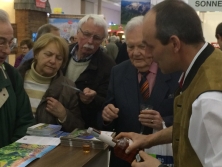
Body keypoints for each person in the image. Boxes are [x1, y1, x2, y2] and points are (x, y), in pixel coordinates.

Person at [116, 1, 222, 167]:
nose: (148, 54)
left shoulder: (209, 99)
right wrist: (148, 139)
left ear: (175, 44)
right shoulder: (208, 64)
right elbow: (192, 128)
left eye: (149, 46)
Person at [101, 16, 180, 167]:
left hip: (163, 159)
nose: (135, 53)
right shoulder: (118, 72)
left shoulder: (176, 72)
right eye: (130, 47)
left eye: (142, 46)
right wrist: (107, 116)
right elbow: (107, 112)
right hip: (125, 158)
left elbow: (188, 119)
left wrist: (163, 122)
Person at [18, 33, 84, 132]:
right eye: (48, 54)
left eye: (59, 58)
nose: (53, 61)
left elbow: (79, 129)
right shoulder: (16, 79)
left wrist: (64, 115)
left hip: (50, 146)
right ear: (36, 54)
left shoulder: (68, 88)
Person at [62, 14, 116, 128]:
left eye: (96, 38)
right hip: (54, 122)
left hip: (84, 128)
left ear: (102, 40)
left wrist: (93, 99)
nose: (90, 41)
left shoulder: (108, 66)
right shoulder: (61, 53)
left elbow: (108, 102)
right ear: (77, 32)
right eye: (86, 34)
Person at [0, 9, 35, 148]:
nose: (8, 50)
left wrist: (8, 156)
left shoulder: (11, 76)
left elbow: (25, 122)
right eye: (1, 42)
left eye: (10, 43)